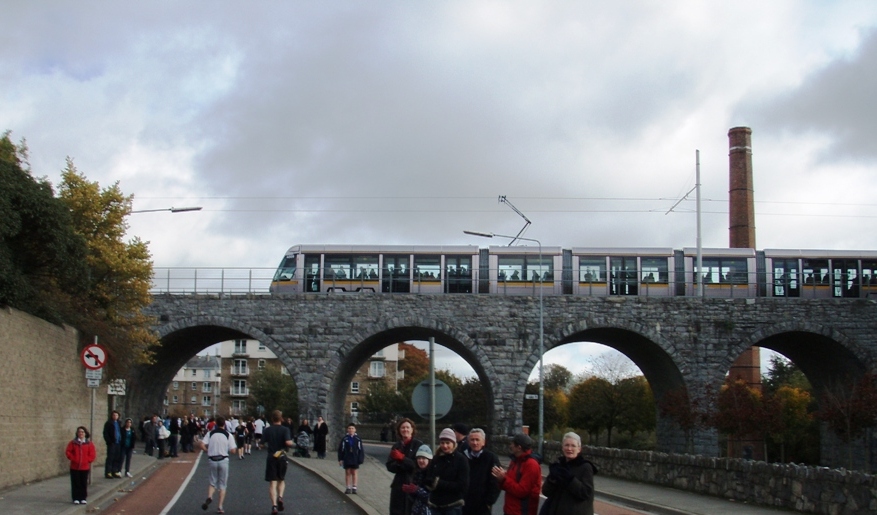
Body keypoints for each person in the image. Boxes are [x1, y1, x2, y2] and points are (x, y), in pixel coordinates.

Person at [541, 432, 598, 515]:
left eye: (573, 446)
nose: (569, 448)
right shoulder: (559, 466)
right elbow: (546, 492)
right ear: (562, 448)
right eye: (566, 445)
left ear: (579, 449)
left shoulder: (585, 467)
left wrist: (570, 480)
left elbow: (586, 493)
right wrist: (551, 480)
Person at [491, 433, 541, 515]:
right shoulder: (515, 460)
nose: (510, 446)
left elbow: (522, 491)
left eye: (512, 444)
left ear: (519, 448)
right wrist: (501, 478)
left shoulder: (531, 464)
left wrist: (503, 479)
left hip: (522, 512)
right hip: (510, 510)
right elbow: (509, 483)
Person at [199, 416, 237, 514]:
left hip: (212, 459)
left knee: (212, 481)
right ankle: (220, 506)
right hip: (223, 459)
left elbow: (202, 444)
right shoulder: (228, 435)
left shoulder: (210, 433)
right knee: (222, 484)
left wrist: (207, 450)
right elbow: (233, 450)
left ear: (215, 424)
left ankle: (210, 496)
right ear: (224, 424)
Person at [427, 427, 470, 515]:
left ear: (453, 443)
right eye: (442, 443)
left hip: (452, 506)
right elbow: (428, 476)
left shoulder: (461, 459)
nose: (445, 446)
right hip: (435, 505)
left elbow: (462, 485)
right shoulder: (436, 458)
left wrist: (439, 483)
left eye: (448, 443)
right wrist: (429, 482)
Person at [386, 417, 424, 515]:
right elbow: (390, 465)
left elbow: (417, 465)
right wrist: (399, 463)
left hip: (413, 484)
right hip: (398, 485)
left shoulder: (418, 445)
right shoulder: (396, 446)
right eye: (402, 428)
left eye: (407, 427)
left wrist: (402, 459)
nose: (405, 430)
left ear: (412, 429)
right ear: (399, 430)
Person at [462, 428, 501, 515]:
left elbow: (495, 482)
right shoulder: (463, 457)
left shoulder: (491, 458)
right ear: (468, 442)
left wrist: (489, 502)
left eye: (477, 440)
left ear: (483, 442)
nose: (475, 443)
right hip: (465, 505)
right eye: (472, 440)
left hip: (482, 506)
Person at [263, 410, 293, 515]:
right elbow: (288, 442)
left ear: (272, 419)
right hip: (282, 456)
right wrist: (293, 444)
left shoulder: (267, 430)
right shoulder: (285, 430)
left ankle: (274, 506)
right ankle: (280, 496)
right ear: (281, 418)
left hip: (271, 457)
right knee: (281, 479)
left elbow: (262, 444)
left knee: (272, 482)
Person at [66, 426, 96, 505]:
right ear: (77, 433)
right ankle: (75, 498)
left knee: (83, 483)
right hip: (74, 467)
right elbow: (68, 452)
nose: (81, 433)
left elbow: (92, 454)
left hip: (84, 467)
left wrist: (87, 460)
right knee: (75, 483)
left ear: (85, 433)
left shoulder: (89, 444)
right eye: (79, 432)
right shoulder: (73, 443)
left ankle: (83, 498)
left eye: (82, 432)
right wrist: (73, 458)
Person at [400, 444, 433, 515]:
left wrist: (417, 490)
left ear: (429, 460)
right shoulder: (417, 473)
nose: (421, 461)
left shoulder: (432, 475)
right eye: (419, 458)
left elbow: (433, 497)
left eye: (423, 458)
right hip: (417, 510)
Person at [337, 423, 365, 494]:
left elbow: (361, 449)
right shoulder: (345, 439)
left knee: (354, 472)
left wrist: (361, 459)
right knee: (347, 472)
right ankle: (348, 487)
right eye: (349, 428)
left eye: (352, 428)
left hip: (355, 457)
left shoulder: (358, 439)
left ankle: (354, 487)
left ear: (355, 430)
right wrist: (340, 459)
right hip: (347, 457)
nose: (351, 430)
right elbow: (341, 449)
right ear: (347, 429)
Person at [102, 410, 123, 478]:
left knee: (117, 457)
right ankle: (108, 472)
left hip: (118, 442)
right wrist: (109, 441)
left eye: (116, 415)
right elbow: (105, 433)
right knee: (110, 458)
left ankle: (114, 471)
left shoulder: (119, 423)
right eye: (114, 415)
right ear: (111, 416)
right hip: (112, 443)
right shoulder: (108, 423)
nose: (115, 416)